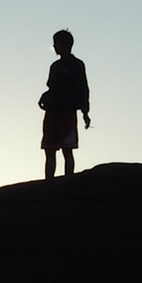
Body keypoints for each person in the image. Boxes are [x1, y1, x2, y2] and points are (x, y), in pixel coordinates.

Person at [39, 29, 90, 179]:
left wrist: (85, 112)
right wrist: (44, 98)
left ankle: (69, 180)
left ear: (65, 44)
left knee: (67, 150)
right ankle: (49, 181)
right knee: (49, 150)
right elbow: (51, 87)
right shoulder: (55, 66)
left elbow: (83, 88)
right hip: (52, 111)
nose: (54, 47)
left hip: (67, 112)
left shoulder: (77, 65)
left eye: (56, 43)